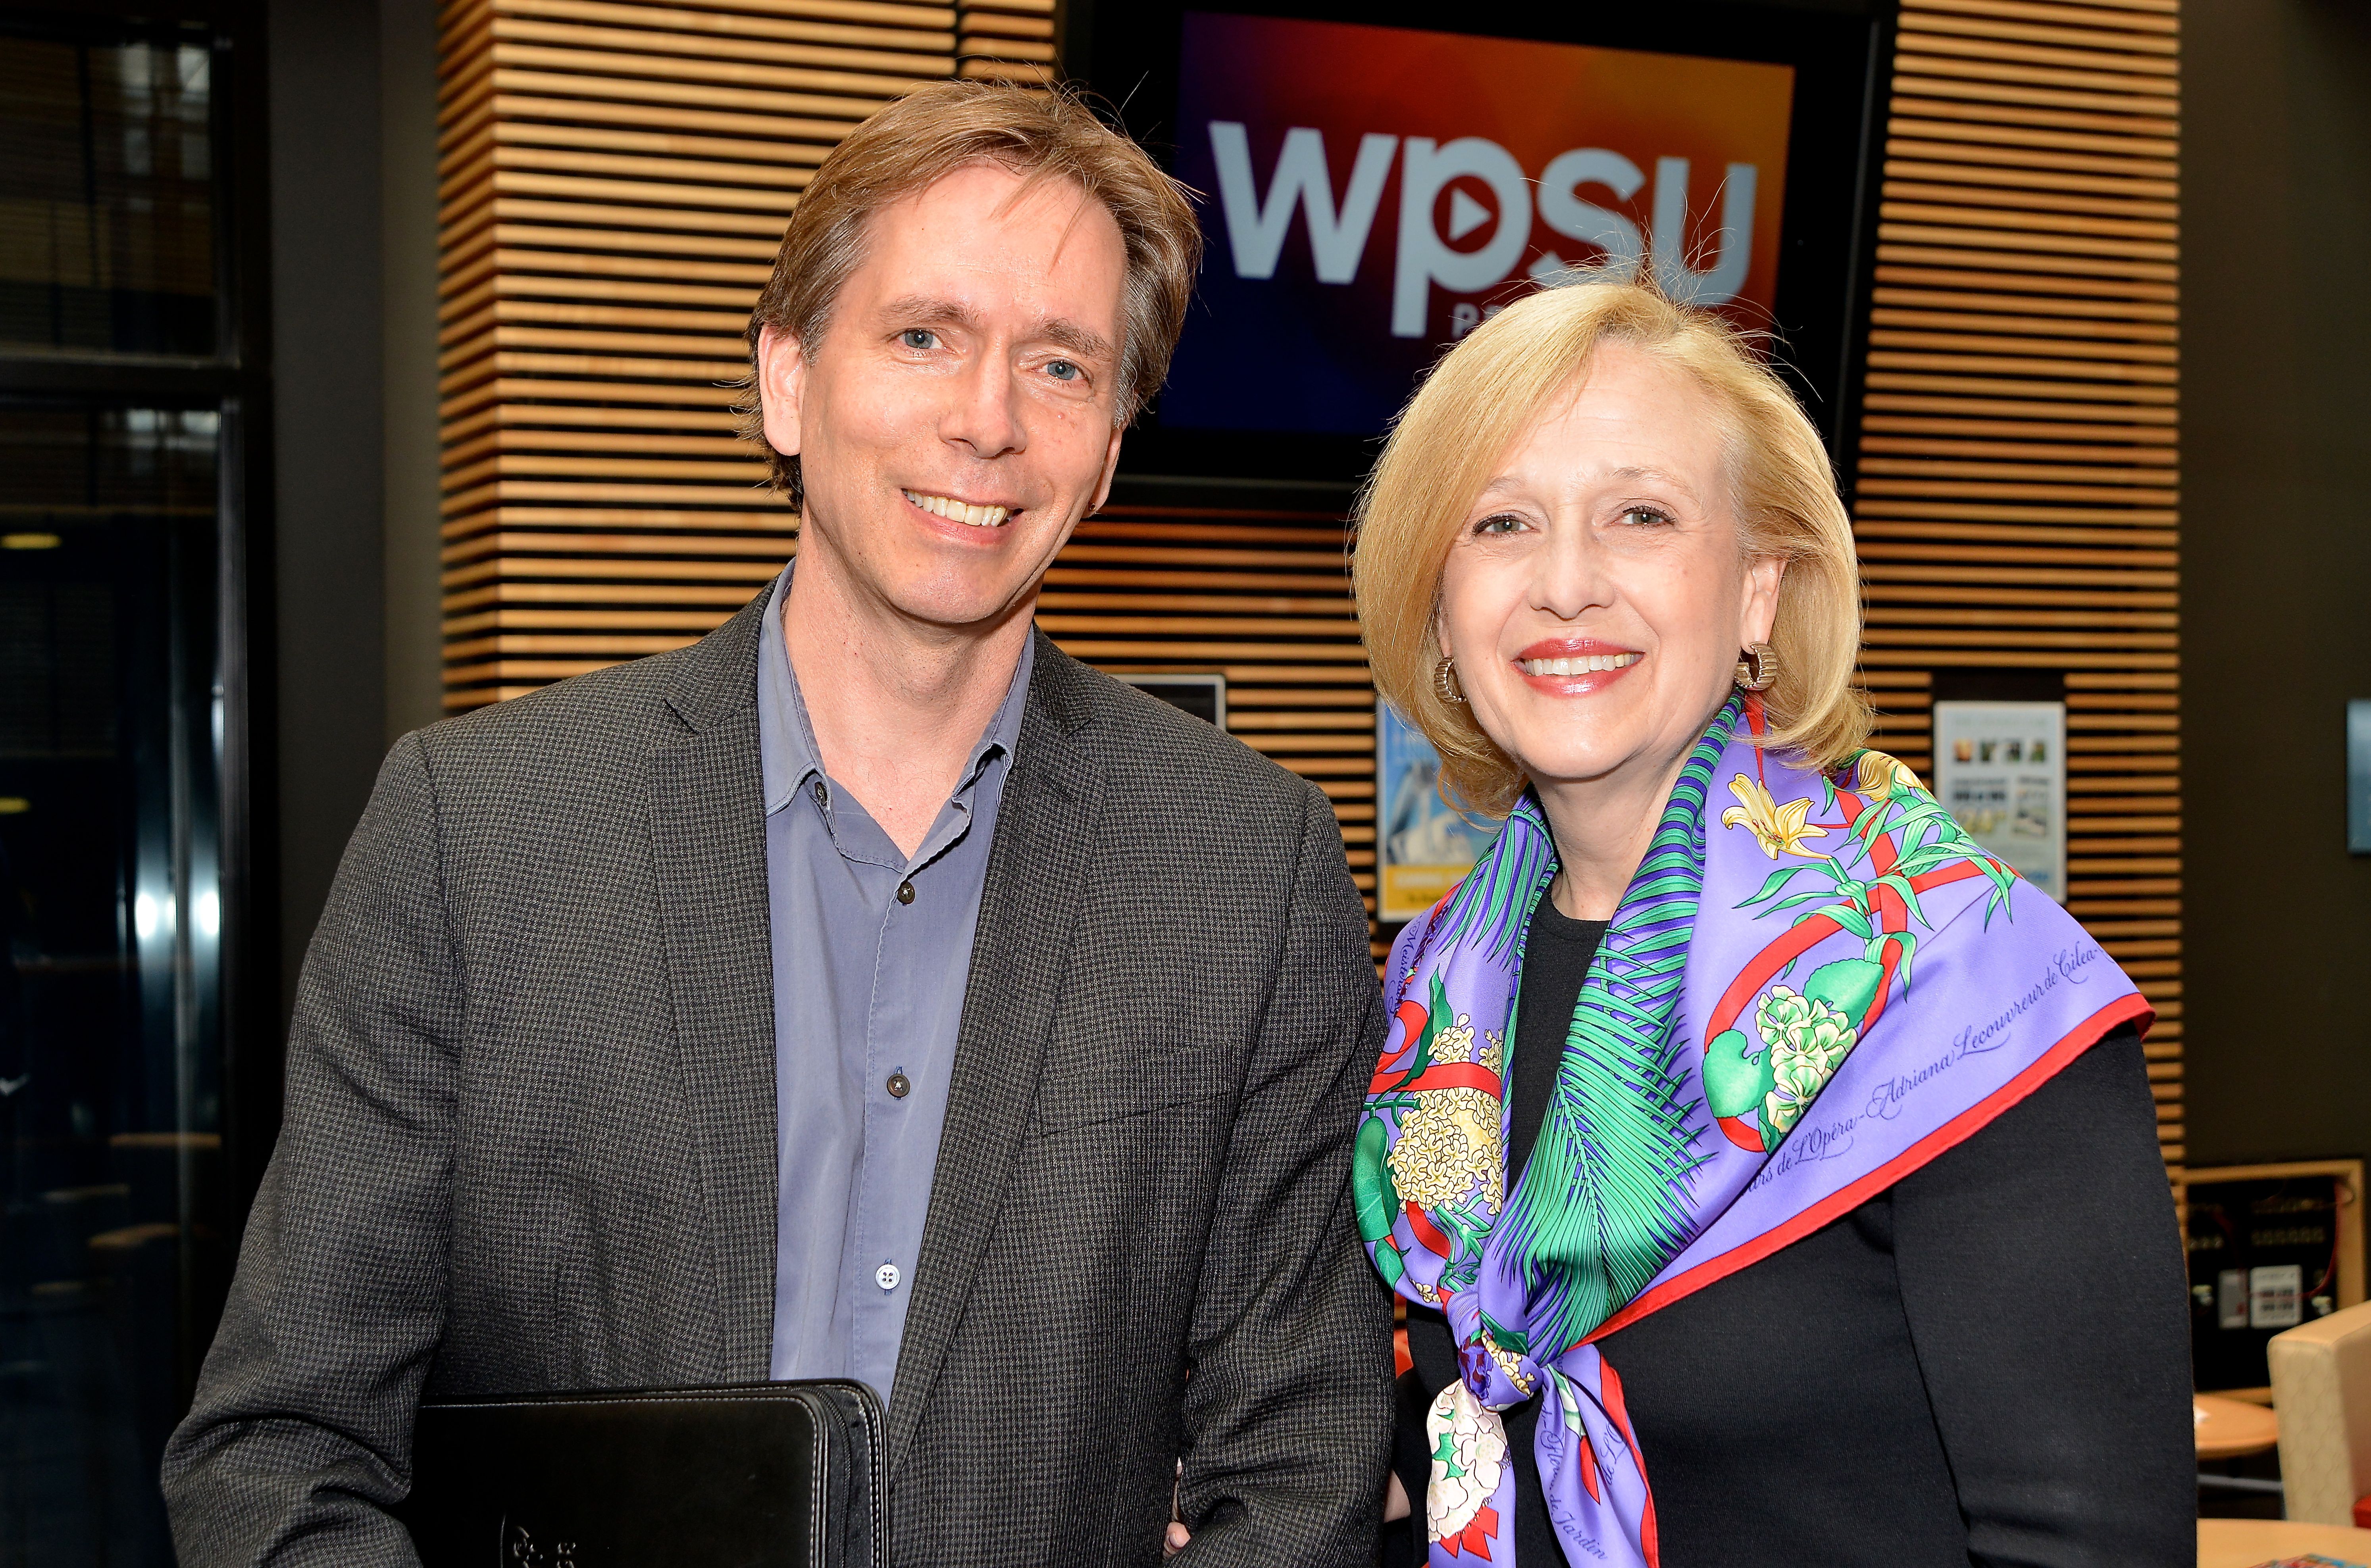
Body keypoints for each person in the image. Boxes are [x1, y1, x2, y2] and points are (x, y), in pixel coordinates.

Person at [162, 82, 1392, 1566]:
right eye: (924, 335)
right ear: (788, 380)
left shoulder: (1243, 868)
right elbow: (277, 1452)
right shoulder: (476, 834)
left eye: (1060, 365)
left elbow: (1305, 1461)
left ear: (1111, 446)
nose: (986, 421)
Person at [1349, 279, 2191, 1567]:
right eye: (1503, 523)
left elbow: (2093, 1545)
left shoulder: (1968, 990)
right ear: (1442, 615)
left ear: (1757, 593)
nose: (1566, 584)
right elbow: (1473, 1424)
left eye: (1641, 515)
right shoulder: (1426, 1004)